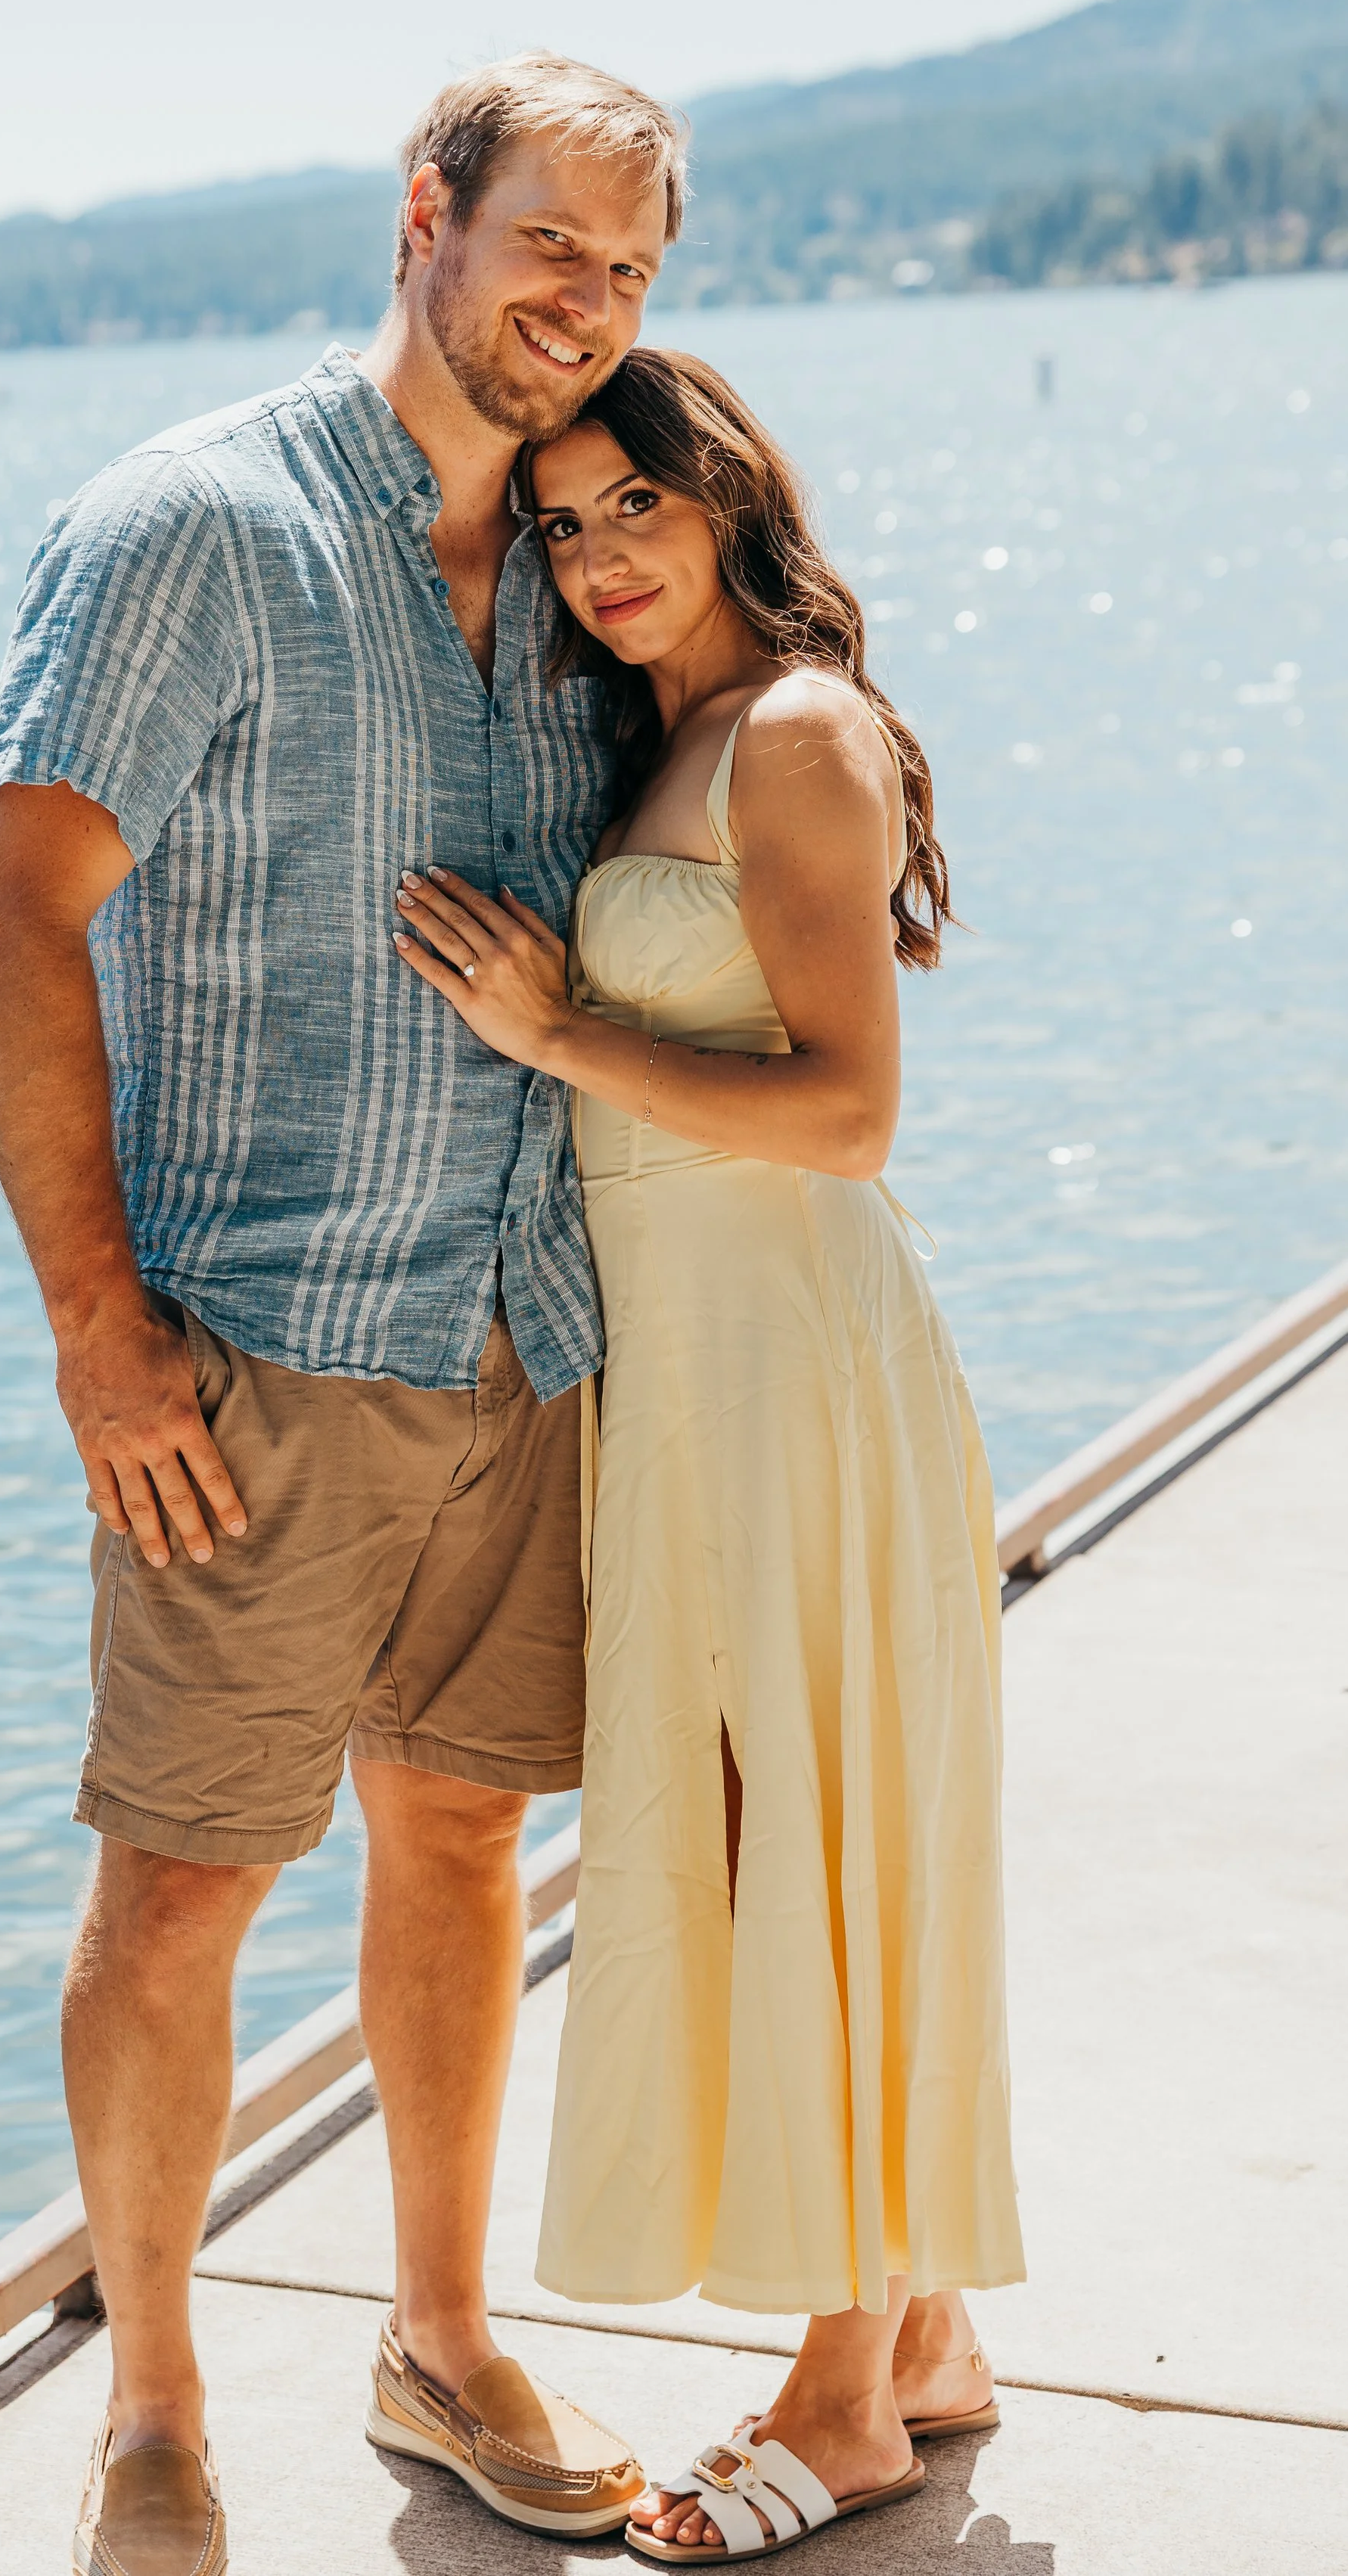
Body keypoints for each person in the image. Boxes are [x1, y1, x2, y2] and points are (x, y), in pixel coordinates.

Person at [0, 55, 686, 2576]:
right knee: (180, 1877)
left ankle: (437, 2325)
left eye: (627, 271)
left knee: (466, 1827)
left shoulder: (604, 558)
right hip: (250, 1342)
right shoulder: (193, 526)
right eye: (548, 247)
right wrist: (95, 1333)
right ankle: (150, 2400)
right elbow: (17, 920)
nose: (580, 309)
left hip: (523, 1321)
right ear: (425, 216)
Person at [393, 346, 1027, 2562]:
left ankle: (840, 2399)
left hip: (791, 1357)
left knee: (811, 1829)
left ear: (721, 486)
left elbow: (851, 1114)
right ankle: (919, 2326)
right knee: (772, 1816)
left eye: (626, 503)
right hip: (671, 1367)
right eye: (558, 526)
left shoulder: (803, 736)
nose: (594, 554)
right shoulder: (662, 738)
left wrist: (556, 1020)